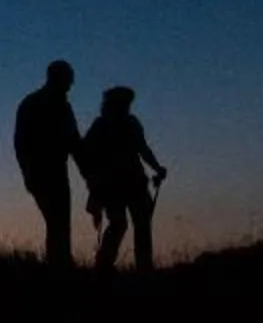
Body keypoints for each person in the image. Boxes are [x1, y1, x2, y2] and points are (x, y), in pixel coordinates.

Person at [80, 86, 168, 271]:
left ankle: (110, 265)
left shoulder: (113, 124)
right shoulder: (107, 125)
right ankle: (118, 266)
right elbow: (142, 149)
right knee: (130, 224)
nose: (128, 106)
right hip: (119, 184)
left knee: (127, 224)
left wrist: (157, 167)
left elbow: (142, 149)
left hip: (125, 183)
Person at [12, 60, 82, 269]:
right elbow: (21, 142)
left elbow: (74, 142)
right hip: (43, 171)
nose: (71, 84)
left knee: (58, 222)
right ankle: (60, 267)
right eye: (69, 79)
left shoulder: (55, 105)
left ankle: (60, 265)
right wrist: (29, 172)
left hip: (53, 171)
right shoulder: (34, 104)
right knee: (57, 221)